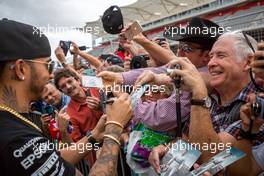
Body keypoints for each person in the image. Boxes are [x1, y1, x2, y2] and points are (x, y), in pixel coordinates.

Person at [0, 18, 133, 176]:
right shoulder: (14, 139)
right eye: (48, 65)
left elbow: (50, 158)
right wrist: (114, 127)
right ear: (21, 69)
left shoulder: (11, 123)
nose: (50, 74)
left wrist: (94, 135)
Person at [142, 32, 263, 175]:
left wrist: (198, 92)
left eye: (221, 55)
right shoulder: (211, 98)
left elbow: (212, 158)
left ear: (248, 62)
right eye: (211, 56)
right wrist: (167, 148)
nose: (211, 63)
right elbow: (188, 142)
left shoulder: (256, 105)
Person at [54, 68, 103, 168]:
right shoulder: (68, 114)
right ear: (62, 91)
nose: (68, 87)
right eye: (63, 86)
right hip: (101, 158)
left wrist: (101, 107)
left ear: (77, 80)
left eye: (69, 81)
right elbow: (76, 147)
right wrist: (63, 131)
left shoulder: (96, 88)